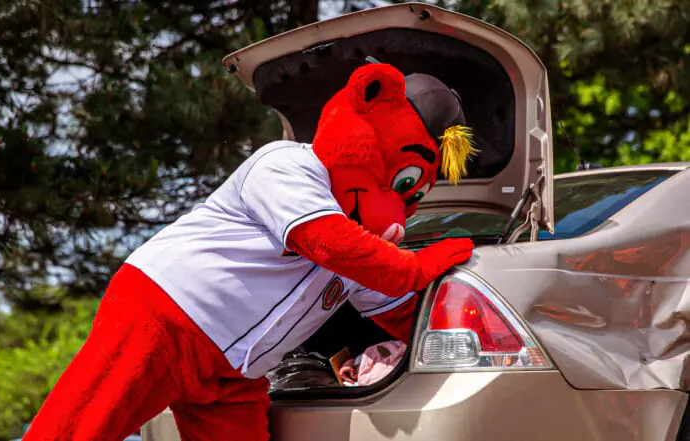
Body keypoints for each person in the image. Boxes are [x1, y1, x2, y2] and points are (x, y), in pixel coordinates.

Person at [23, 62, 476, 441]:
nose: (396, 206)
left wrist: (454, 340)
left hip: (232, 374)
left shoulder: (369, 241)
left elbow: (399, 310)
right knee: (76, 429)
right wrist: (420, 263)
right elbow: (330, 245)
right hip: (164, 319)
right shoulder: (286, 165)